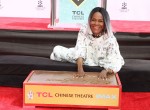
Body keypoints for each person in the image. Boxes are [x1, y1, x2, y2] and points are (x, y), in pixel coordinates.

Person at [50, 7, 124, 80]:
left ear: (105, 23)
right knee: (57, 50)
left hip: (103, 60)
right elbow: (80, 48)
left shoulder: (110, 38)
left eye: (100, 21)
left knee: (117, 63)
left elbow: (115, 59)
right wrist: (80, 69)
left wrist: (106, 71)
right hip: (85, 58)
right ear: (89, 20)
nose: (96, 24)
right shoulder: (84, 29)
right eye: (93, 20)